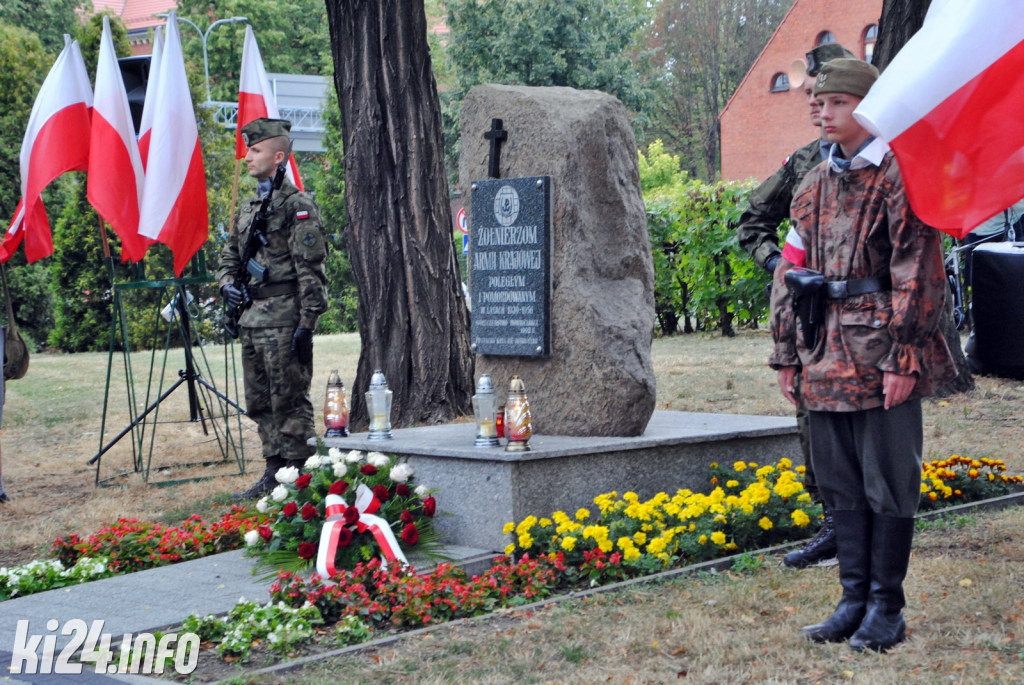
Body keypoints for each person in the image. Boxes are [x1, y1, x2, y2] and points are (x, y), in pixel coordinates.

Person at [769, 58, 954, 652]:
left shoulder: (900, 176)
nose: (823, 111)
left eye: (838, 103)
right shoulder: (813, 184)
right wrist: (786, 355)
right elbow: (790, 274)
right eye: (819, 104)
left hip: (879, 352)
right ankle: (852, 600)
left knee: (888, 481)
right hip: (823, 350)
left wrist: (905, 356)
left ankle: (886, 608)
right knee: (841, 483)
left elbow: (918, 271)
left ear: (868, 108)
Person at [735, 42, 854, 569]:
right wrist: (782, 271)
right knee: (813, 415)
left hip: (867, 309)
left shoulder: (883, 157)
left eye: (825, 93)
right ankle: (832, 522)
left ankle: (869, 524)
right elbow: (751, 222)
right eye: (810, 92)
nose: (814, 103)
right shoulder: (805, 162)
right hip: (812, 313)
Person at [217, 118, 329, 500]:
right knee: (260, 401)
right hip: (251, 317)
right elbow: (230, 255)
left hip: (284, 319)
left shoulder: (297, 205)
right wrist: (227, 284)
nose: (247, 157)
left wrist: (307, 322)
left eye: (255, 150)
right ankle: (273, 469)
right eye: (248, 149)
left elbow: (310, 268)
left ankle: (300, 472)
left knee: (290, 398)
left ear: (278, 156)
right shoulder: (249, 206)